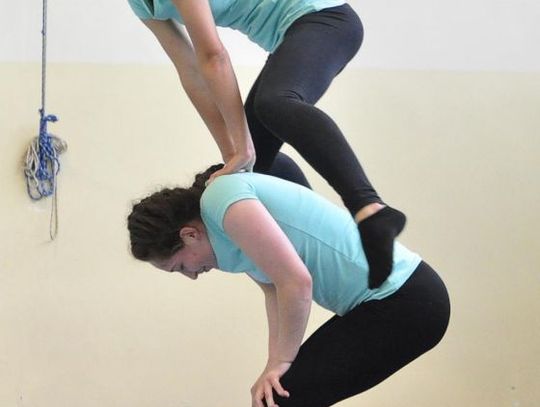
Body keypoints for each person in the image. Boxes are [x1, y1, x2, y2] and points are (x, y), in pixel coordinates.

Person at [127, 0, 406, 288]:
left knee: (274, 103)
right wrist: (235, 153)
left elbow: (213, 57)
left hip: (325, 18)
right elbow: (192, 72)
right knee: (253, 168)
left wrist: (241, 148)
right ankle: (331, 248)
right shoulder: (140, 5)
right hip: (294, 34)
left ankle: (370, 208)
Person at [127, 164, 450, 407]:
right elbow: (273, 290)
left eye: (181, 266)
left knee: (281, 399)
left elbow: (296, 283)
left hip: (404, 300)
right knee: (275, 394)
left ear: (189, 235)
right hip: (388, 304)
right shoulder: (226, 234)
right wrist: (275, 363)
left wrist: (281, 363)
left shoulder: (220, 201)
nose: (192, 276)